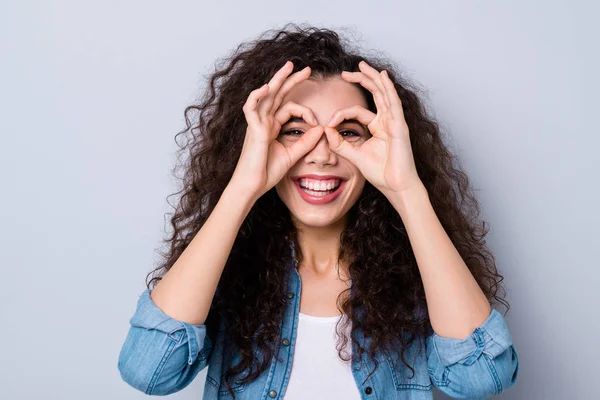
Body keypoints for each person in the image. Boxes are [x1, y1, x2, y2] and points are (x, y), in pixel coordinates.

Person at [117, 23, 519, 399]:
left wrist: (407, 189)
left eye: (347, 133)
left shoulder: (417, 276)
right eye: (295, 131)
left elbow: (481, 377)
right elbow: (149, 370)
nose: (323, 155)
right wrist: (243, 186)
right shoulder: (230, 268)